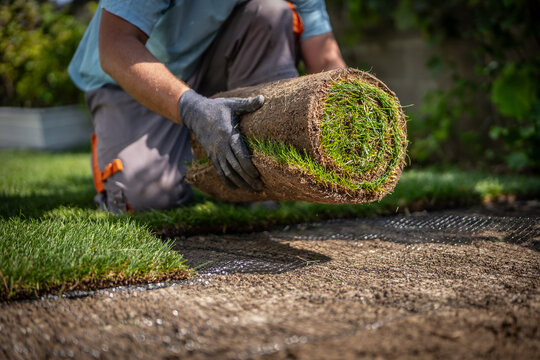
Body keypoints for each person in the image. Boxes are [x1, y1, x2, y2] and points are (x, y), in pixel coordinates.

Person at [69, 0, 346, 213]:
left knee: (272, 10)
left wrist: (349, 119)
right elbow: (115, 45)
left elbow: (323, 53)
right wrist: (191, 108)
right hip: (131, 80)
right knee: (146, 199)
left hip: (210, 63)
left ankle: (258, 178)